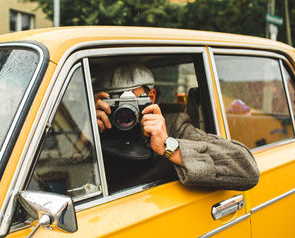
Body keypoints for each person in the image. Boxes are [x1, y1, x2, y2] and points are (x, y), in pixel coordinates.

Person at [95, 63, 259, 193]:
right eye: (114, 103)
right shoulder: (95, 126)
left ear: (151, 97)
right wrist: (86, 131)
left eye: (130, 102)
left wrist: (168, 146)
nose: (123, 113)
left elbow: (245, 169)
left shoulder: (173, 125)